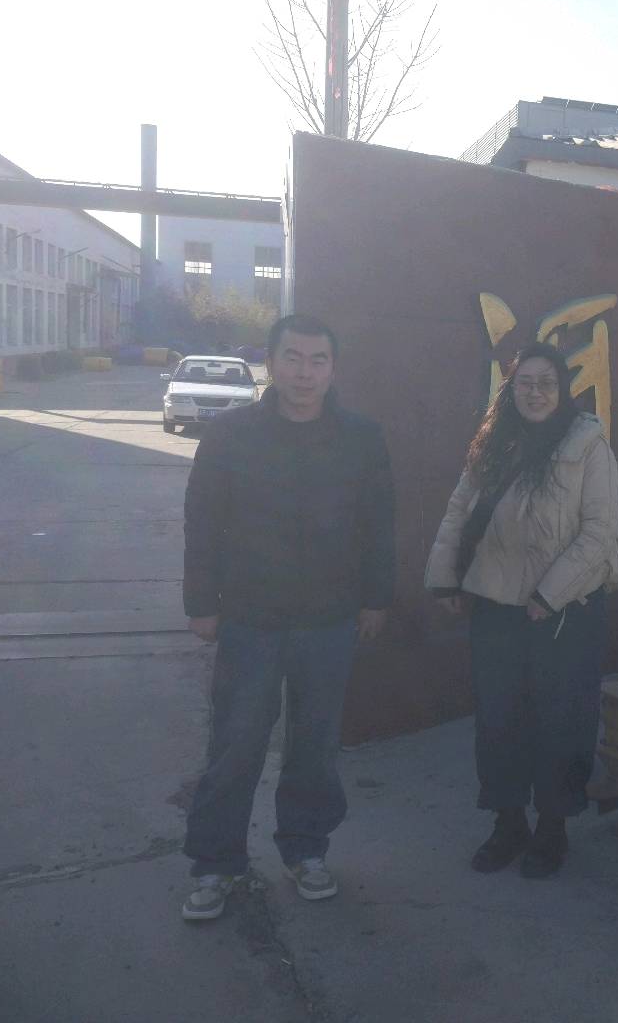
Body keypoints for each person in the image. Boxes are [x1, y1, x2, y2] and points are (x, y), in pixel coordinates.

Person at [179, 313, 395, 921]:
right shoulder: (231, 435)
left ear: (333, 369)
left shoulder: (360, 439)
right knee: (235, 743)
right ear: (271, 364)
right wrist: (201, 604)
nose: (305, 372)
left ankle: (306, 850)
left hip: (328, 621)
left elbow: (379, 524)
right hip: (250, 618)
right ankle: (216, 863)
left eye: (318, 360)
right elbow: (203, 522)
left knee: (315, 745)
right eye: (293, 358)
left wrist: (376, 598)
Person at [425, 342, 618, 879]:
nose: (536, 393)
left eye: (546, 384)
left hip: (565, 612)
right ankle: (508, 822)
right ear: (510, 391)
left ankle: (552, 828)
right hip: (496, 605)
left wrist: (548, 595)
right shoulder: (494, 444)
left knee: (560, 722)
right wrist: (445, 578)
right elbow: (459, 513)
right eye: (525, 384)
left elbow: (600, 534)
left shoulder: (588, 446)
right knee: (499, 720)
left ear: (563, 391)